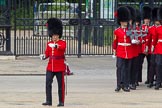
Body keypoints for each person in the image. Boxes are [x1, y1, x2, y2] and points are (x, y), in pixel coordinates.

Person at [40, 18, 66, 107]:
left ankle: (61, 101)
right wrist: (43, 57)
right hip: (50, 67)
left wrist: (55, 46)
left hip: (60, 67)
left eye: (56, 35)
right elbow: (47, 53)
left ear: (58, 35)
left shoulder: (62, 42)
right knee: (48, 83)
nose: (54, 37)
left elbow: (62, 48)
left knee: (61, 86)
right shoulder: (49, 43)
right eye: (53, 35)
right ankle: (48, 100)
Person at [113, 6, 133, 92]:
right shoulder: (117, 31)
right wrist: (114, 50)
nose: (126, 23)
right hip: (120, 51)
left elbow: (133, 39)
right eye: (124, 21)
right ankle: (118, 85)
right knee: (119, 67)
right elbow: (115, 41)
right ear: (121, 22)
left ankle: (126, 85)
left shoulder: (131, 30)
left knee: (127, 69)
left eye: (126, 21)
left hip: (128, 50)